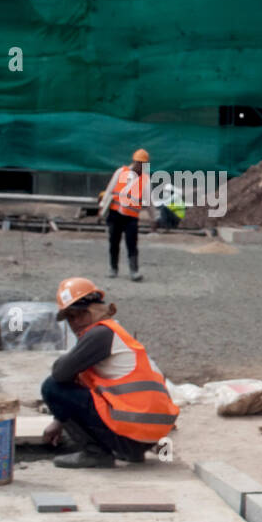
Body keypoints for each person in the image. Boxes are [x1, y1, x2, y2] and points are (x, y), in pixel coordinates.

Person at [41, 277, 178, 468]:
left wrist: (61, 415)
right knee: (77, 385)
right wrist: (59, 420)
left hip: (133, 431)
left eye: (80, 314)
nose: (75, 322)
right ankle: (129, 451)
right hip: (147, 434)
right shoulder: (115, 333)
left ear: (95, 310)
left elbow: (60, 374)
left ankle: (95, 453)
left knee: (52, 387)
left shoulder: (99, 334)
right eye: (70, 317)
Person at [101, 148, 154, 281]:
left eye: (143, 164)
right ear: (134, 162)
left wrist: (154, 218)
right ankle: (113, 268)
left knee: (132, 244)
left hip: (131, 217)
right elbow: (109, 191)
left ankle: (134, 271)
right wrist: (102, 209)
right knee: (114, 242)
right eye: (139, 163)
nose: (140, 166)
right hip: (115, 214)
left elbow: (149, 202)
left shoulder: (145, 180)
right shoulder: (121, 172)